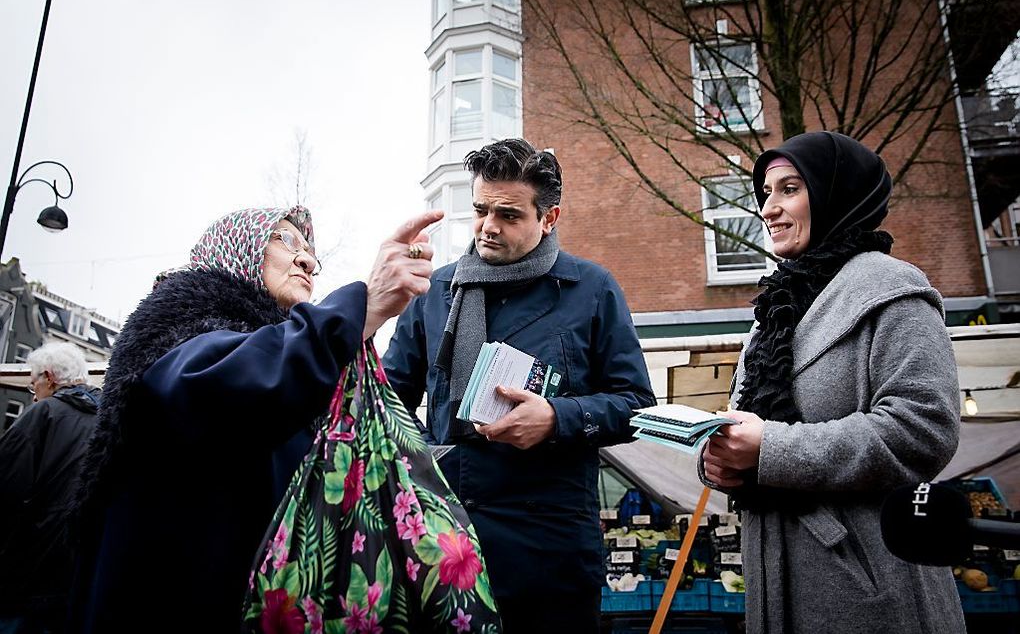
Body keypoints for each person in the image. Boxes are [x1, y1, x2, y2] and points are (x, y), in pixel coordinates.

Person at [67, 206, 441, 633]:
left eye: (310, 253)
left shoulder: (281, 353)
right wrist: (363, 305)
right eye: (285, 240)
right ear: (235, 248)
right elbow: (236, 384)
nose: (305, 260)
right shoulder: (178, 328)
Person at [383, 138, 655, 633]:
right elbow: (385, 406)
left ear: (549, 218)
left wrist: (555, 419)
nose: (488, 226)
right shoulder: (435, 293)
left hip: (548, 547)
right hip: (444, 534)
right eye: (481, 209)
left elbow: (636, 405)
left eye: (508, 215)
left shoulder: (592, 289)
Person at [699, 132, 966, 633]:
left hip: (867, 578)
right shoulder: (777, 309)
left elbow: (923, 430)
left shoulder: (893, 290)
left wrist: (771, 449)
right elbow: (752, 424)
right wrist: (720, 458)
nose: (768, 209)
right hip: (773, 570)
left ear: (834, 192)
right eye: (765, 194)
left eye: (789, 189)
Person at [0, 343, 101, 634]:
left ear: (49, 377)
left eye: (33, 387)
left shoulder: (44, 414)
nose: (34, 397)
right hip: (81, 574)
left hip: (27, 574)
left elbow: (7, 490)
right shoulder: (110, 418)